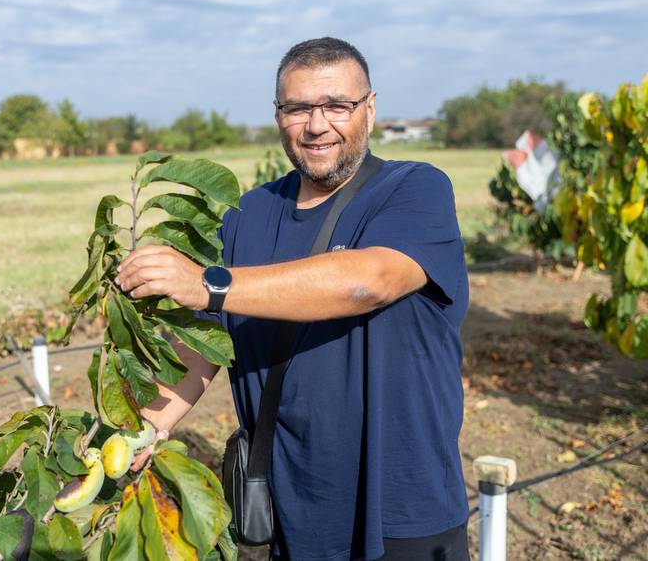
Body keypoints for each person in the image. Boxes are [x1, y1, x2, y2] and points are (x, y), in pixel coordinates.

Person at [115, 37, 470, 561]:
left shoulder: (414, 189)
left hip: (402, 505)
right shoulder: (247, 214)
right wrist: (142, 432)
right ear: (279, 115)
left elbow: (370, 279)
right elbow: (198, 348)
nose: (317, 125)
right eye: (298, 108)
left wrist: (209, 285)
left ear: (369, 109)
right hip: (293, 509)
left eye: (337, 106)